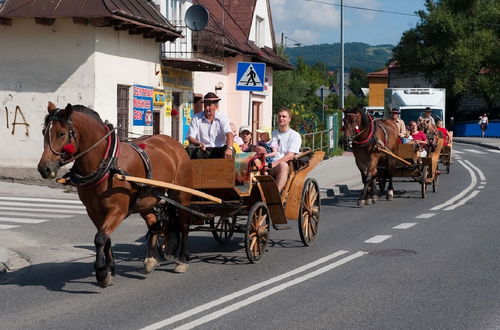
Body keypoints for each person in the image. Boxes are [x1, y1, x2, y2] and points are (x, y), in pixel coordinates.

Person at [187, 92, 234, 159]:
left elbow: (229, 133)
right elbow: (191, 137)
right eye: (205, 105)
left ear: (216, 106)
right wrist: (199, 143)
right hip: (203, 150)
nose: (206, 108)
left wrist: (229, 148)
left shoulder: (222, 118)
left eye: (209, 105)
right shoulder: (196, 118)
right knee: (190, 148)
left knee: (232, 150)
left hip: (219, 149)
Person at [269, 107, 302, 192]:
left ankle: (275, 195)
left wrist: (274, 164)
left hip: (283, 165)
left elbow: (290, 155)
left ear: (289, 119)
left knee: (283, 165)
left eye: (284, 116)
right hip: (269, 163)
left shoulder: (295, 135)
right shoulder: (272, 134)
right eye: (279, 116)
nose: (281, 118)